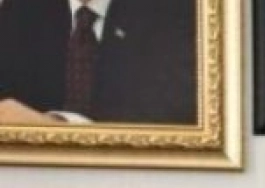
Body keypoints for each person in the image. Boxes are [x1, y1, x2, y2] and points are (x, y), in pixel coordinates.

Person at [0, 0, 197, 125]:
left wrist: (60, 127)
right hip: (37, 168)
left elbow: (170, 108)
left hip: (130, 168)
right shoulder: (22, 9)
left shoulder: (173, 10)